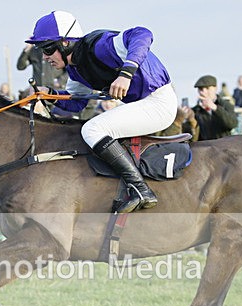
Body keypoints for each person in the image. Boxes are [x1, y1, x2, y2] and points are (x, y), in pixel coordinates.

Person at [25, 11, 177, 213]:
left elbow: (142, 33)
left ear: (66, 43)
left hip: (159, 102)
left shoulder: (99, 46)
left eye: (48, 48)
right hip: (143, 104)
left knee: (93, 130)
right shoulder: (75, 69)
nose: (44, 57)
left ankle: (140, 189)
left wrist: (126, 74)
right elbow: (77, 103)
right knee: (92, 130)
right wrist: (50, 95)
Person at [182, 75, 237, 141]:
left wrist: (215, 108)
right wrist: (187, 118)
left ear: (215, 88)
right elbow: (190, 135)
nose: (203, 92)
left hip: (223, 146)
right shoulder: (195, 111)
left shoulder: (226, 105)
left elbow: (232, 124)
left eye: (207, 88)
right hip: (204, 148)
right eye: (200, 89)